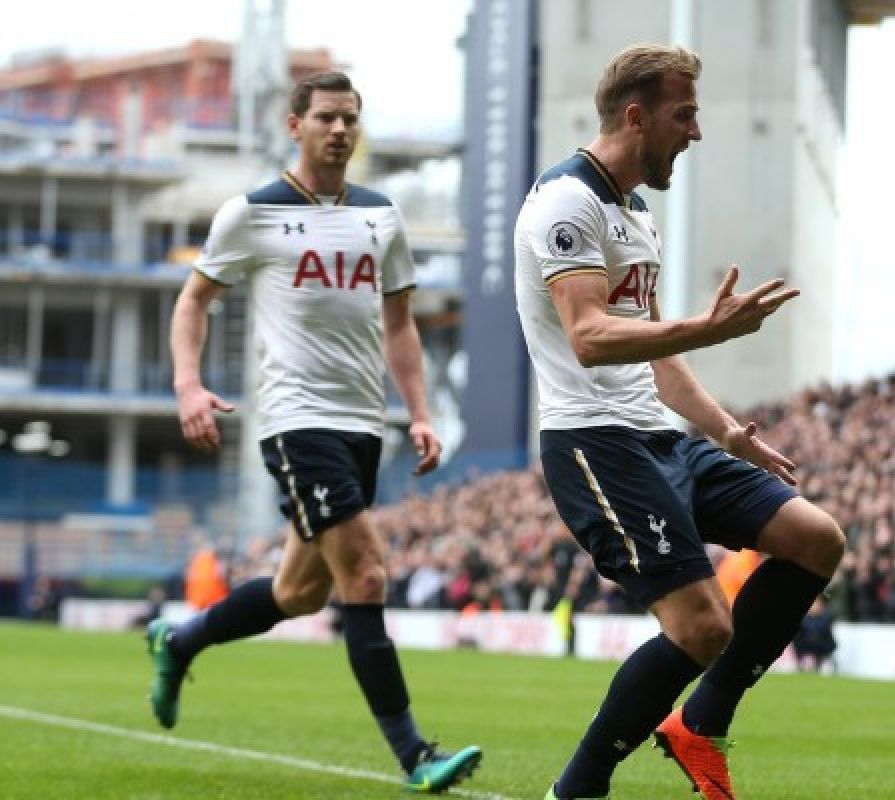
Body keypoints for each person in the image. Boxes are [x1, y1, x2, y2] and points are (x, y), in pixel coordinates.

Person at [514, 44, 845, 800]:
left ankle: (701, 722)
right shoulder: (568, 202)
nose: (696, 132)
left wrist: (727, 431)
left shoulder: (634, 213)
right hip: (595, 445)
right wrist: (709, 327)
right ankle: (578, 787)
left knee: (815, 539)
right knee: (702, 625)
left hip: (664, 440)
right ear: (638, 115)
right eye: (684, 114)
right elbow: (592, 338)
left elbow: (656, 354)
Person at [144, 71, 481, 793]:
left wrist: (420, 411)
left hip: (364, 424)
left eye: (350, 118)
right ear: (295, 125)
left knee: (300, 592)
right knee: (365, 571)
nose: (340, 130)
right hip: (296, 420)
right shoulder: (253, 213)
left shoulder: (380, 216)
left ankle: (181, 640)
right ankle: (416, 755)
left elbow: (399, 324)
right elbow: (193, 302)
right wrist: (188, 385)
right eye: (327, 117)